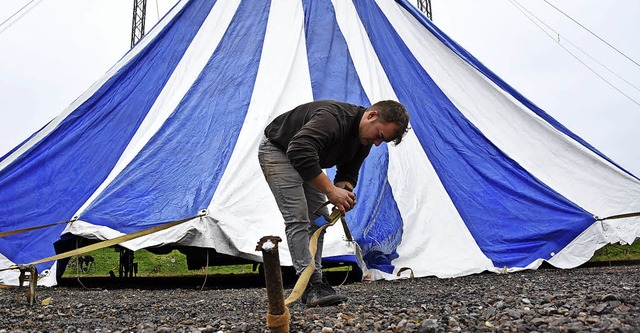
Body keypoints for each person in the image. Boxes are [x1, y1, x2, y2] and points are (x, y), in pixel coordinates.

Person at [258, 99, 410, 307]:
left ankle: (316, 282)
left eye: (381, 141)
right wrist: (331, 191)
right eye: (379, 136)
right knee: (298, 218)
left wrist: (343, 194)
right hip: (279, 151)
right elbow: (299, 149)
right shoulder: (333, 119)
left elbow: (347, 172)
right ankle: (310, 284)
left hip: (308, 159)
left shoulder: (364, 139)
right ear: (372, 115)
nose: (376, 143)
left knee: (319, 220)